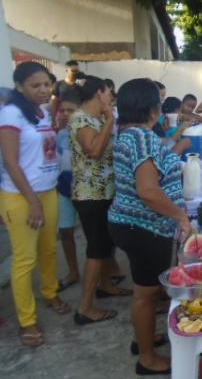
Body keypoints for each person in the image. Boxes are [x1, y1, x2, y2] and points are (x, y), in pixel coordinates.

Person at [108, 78, 194, 376]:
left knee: (145, 291)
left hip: (131, 224)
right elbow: (148, 191)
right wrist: (180, 217)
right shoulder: (141, 138)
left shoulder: (128, 134)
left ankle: (142, 338)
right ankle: (147, 357)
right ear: (153, 109)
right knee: (146, 294)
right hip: (144, 227)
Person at [0, 61, 70, 347]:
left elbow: (42, 148)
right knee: (25, 259)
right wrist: (32, 202)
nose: (43, 90)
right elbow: (11, 162)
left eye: (46, 84)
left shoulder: (40, 112)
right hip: (21, 197)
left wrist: (57, 126)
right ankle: (27, 321)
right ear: (20, 87)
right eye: (35, 85)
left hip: (47, 191)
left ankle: (50, 291)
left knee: (49, 248)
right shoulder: (10, 114)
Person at [70, 75, 130, 326]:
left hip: (105, 191)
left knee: (106, 244)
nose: (110, 97)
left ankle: (105, 286)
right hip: (90, 194)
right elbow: (93, 150)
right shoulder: (81, 119)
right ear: (99, 93)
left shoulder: (95, 118)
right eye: (107, 92)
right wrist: (111, 119)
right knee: (96, 249)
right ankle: (85, 308)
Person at [56, 90, 81, 291]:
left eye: (70, 110)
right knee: (65, 231)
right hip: (64, 188)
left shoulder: (87, 133)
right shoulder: (60, 134)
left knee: (95, 235)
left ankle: (105, 272)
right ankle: (73, 271)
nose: (65, 114)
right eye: (62, 110)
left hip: (84, 189)